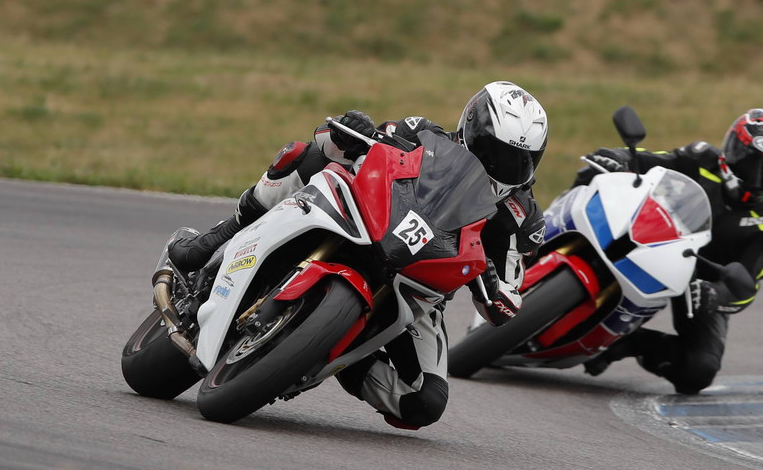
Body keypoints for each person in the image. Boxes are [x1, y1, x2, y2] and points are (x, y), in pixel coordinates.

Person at [163, 81, 550, 430]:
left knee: (423, 402)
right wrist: (351, 130)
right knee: (304, 154)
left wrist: (495, 289)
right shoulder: (421, 133)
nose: (502, 167)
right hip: (363, 218)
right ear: (470, 129)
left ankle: (336, 355)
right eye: (493, 151)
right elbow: (347, 141)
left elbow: (510, 297)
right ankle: (214, 241)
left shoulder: (520, 217)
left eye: (518, 161)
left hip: (420, 287)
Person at [575, 108, 763, 395]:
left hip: (700, 280)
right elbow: (652, 161)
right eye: (748, 161)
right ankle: (533, 248)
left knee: (698, 370)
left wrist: (716, 294)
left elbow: (746, 286)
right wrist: (618, 157)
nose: (756, 176)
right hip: (652, 236)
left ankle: (630, 342)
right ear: (731, 149)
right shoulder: (701, 158)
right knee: (591, 175)